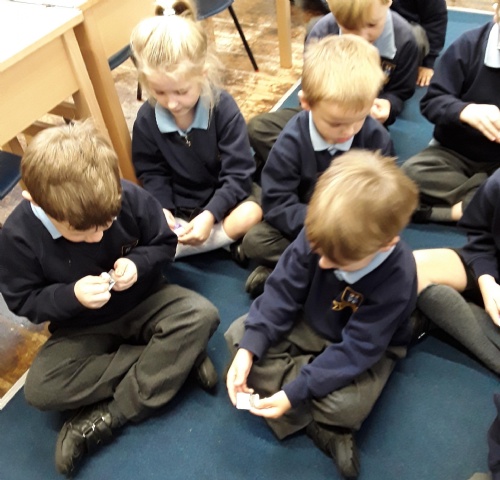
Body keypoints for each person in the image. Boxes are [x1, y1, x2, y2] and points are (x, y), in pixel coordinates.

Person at [0, 121, 221, 477]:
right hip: (82, 326)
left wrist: (138, 264)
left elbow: (165, 242)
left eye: (106, 223)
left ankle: (111, 415)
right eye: (80, 231)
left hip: (147, 300)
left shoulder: (125, 196)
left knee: (201, 314)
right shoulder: (17, 236)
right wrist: (71, 295)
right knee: (41, 389)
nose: (98, 237)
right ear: (35, 201)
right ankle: (174, 360)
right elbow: (23, 302)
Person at [225, 150, 419, 480]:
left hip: (362, 347)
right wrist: (249, 350)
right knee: (238, 336)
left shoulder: (398, 276)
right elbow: (282, 291)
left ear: (385, 245)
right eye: (319, 253)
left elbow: (357, 350)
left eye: (338, 261)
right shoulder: (320, 234)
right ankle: (319, 423)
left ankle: (310, 409)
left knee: (347, 407)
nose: (324, 265)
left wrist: (295, 392)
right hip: (310, 320)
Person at [241, 34, 393, 298]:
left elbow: (386, 195)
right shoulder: (291, 141)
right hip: (310, 227)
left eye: (358, 119)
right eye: (336, 123)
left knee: (390, 246)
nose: (349, 131)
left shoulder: (376, 137)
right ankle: (332, 271)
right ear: (306, 103)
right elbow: (277, 204)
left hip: (356, 227)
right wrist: (326, 224)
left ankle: (296, 270)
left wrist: (362, 223)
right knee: (255, 241)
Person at [130, 0, 262, 262]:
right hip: (181, 207)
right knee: (139, 218)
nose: (172, 103)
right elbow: (152, 172)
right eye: (159, 92)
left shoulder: (223, 108)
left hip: (225, 201)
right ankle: (217, 244)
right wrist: (163, 210)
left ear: (203, 74)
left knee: (253, 212)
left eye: (181, 91)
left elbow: (238, 173)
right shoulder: (146, 119)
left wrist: (211, 214)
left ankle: (181, 249)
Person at [248, 0, 419, 171]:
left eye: (371, 25)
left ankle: (310, 170)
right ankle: (331, 174)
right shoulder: (320, 32)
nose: (361, 36)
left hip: (360, 120)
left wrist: (389, 104)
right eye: (349, 27)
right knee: (258, 128)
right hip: (324, 117)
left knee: (379, 162)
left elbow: (401, 91)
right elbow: (310, 85)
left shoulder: (405, 40)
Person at [402, 4, 500, 224]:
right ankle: (487, 200)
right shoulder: (468, 45)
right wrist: (464, 110)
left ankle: (453, 211)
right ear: (497, 13)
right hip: (454, 153)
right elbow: (432, 102)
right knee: (411, 173)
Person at [413, 167, 500, 375]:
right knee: (411, 269)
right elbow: (481, 235)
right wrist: (487, 281)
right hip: (493, 263)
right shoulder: (497, 183)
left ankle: (442, 314)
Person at [390, 0, 448, 87]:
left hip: (409, 31)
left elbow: (436, 20)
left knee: (414, 38)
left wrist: (427, 64)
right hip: (379, 23)